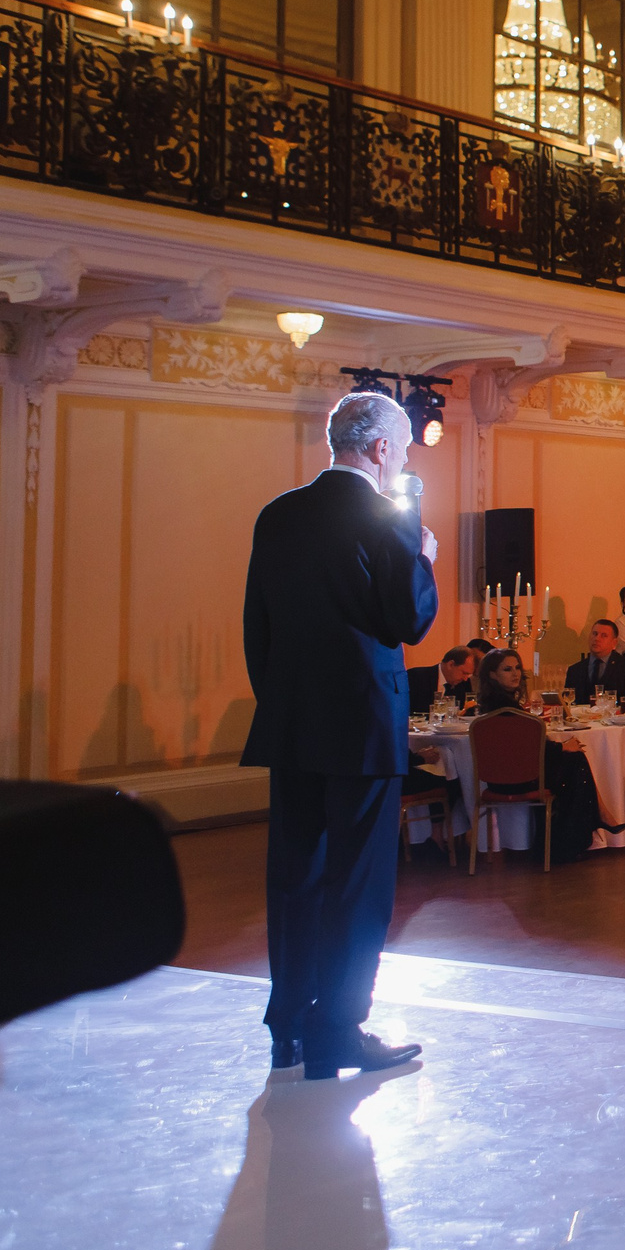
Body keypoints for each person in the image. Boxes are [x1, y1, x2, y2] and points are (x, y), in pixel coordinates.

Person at [243, 389, 437, 1081]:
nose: (403, 460)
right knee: (357, 887)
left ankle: (288, 1028)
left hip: (291, 725)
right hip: (361, 726)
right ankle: (337, 1031)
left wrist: (285, 702)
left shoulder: (279, 514)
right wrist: (423, 552)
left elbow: (255, 630)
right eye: (405, 448)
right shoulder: (385, 517)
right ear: (381, 448)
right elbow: (408, 619)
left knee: (295, 880)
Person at [470, 648, 604, 861]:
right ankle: (572, 839)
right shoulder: (507, 709)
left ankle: (580, 830)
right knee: (575, 760)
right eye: (507, 669)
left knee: (572, 759)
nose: (515, 674)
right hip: (521, 780)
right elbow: (526, 748)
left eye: (517, 668)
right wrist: (562, 747)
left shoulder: (489, 705)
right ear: (492, 674)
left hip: (495, 781)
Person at [564, 620, 625, 705]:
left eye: (604, 636)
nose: (597, 639)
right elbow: (568, 704)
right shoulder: (575, 670)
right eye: (594, 634)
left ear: (614, 643)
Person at [407, 644, 475, 714]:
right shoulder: (416, 677)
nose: (465, 679)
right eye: (464, 673)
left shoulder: (462, 685)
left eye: (468, 674)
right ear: (450, 665)